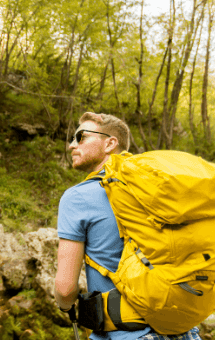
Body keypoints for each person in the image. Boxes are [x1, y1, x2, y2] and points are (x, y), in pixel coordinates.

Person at [53, 112, 201, 340]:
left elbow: (65, 289)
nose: (72, 145)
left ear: (110, 143)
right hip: (185, 332)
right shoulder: (160, 190)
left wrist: (66, 306)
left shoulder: (77, 198)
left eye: (81, 137)